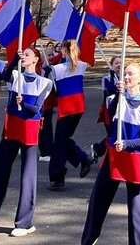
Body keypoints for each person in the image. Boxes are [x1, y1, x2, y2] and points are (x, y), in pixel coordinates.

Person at [81, 61, 140, 245]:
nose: (126, 77)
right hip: (113, 156)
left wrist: (127, 143)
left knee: (137, 209)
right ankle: (88, 240)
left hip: (135, 159)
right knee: (97, 202)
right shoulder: (114, 100)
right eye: (124, 74)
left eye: (130, 74)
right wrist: (118, 97)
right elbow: (109, 125)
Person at [0, 46, 54, 237]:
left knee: (28, 176)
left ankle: (25, 223)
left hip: (30, 132)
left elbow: (35, 109)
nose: (23, 57)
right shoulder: (15, 76)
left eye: (27, 54)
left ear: (35, 59)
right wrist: (12, 62)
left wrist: (22, 103)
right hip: (11, 130)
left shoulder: (45, 83)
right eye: (22, 54)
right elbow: (4, 76)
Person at [47, 40, 94, 191]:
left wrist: (48, 71)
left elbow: (52, 90)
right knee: (63, 140)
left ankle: (58, 176)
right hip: (78, 107)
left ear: (65, 51)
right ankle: (82, 159)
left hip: (66, 108)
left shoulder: (57, 69)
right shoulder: (82, 66)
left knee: (59, 144)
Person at [91, 55, 121, 162]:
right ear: (111, 65)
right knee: (112, 134)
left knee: (117, 134)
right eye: (116, 63)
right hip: (109, 110)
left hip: (121, 110)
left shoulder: (124, 78)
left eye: (120, 63)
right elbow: (109, 91)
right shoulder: (107, 78)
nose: (119, 65)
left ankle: (98, 149)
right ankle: (104, 153)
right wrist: (113, 78)